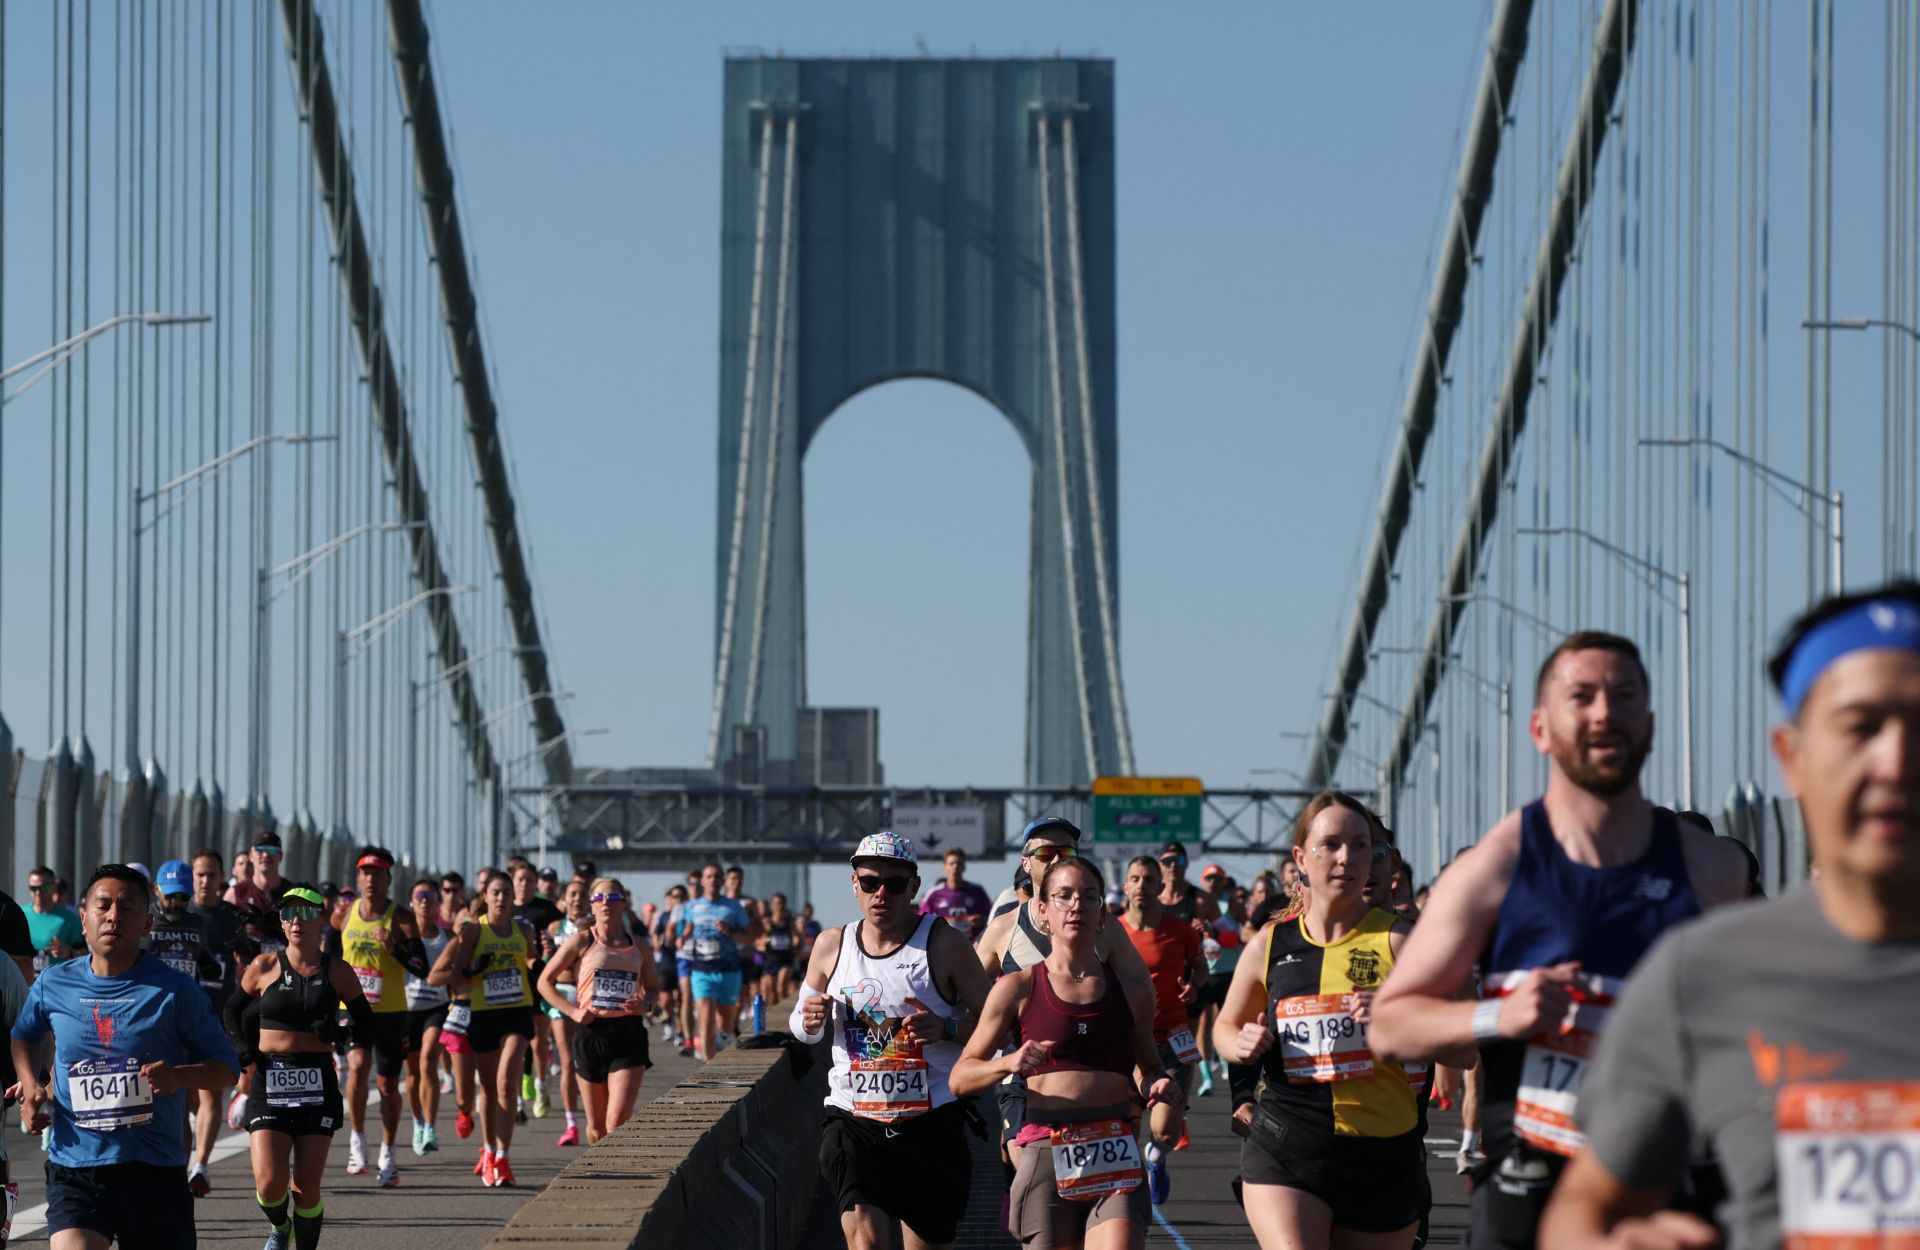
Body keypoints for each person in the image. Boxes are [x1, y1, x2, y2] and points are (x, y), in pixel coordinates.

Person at [1540, 581, 1920, 1250]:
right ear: (1792, 758)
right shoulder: (1704, 976)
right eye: (1859, 727)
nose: (1896, 762)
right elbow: (1582, 1212)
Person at [1368, 631, 1751, 1250]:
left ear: (1649, 726)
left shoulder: (1714, 871)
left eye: (1624, 695)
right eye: (1583, 696)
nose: (1605, 710)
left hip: (1661, 1194)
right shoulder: (1494, 868)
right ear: (1541, 728)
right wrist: (1501, 1015)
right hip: (1530, 1190)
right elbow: (1389, 1027)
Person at [1214, 792, 1462, 1250]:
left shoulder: (1404, 944)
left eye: (1361, 845)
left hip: (1383, 1157)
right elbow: (1225, 1027)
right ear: (1301, 858)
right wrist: (1240, 1043)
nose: (1346, 857)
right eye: (1330, 844)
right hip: (1287, 1146)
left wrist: (1401, 1024)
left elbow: (1463, 1049)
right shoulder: (1270, 944)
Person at [953, 855, 1179, 1250]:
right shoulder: (1016, 988)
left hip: (1114, 1147)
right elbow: (961, 1076)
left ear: (1102, 913)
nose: (1077, 905)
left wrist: (1159, 1086)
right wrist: (1009, 1062)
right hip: (1046, 1148)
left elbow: (1148, 1066)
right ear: (1042, 911)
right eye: (1064, 896)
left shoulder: (1133, 992)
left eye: (1089, 897)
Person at [11, 865, 238, 1250]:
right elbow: (23, 1035)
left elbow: (226, 1068)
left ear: (147, 922)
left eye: (128, 907)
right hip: (76, 1168)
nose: (114, 915)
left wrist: (178, 1077)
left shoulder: (174, 990)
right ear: (84, 919)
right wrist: (33, 1085)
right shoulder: (55, 983)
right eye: (104, 905)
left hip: (154, 1169)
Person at [792, 833, 992, 1250]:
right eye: (869, 883)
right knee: (866, 1241)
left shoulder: (944, 945)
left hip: (931, 1122)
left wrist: (948, 1029)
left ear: (914, 888)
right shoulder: (833, 945)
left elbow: (1000, 1027)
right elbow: (801, 1023)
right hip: (854, 1118)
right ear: (854, 884)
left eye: (894, 884)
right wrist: (809, 1020)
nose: (880, 893)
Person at [976, 817, 1158, 1178]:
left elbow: (1142, 994)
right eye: (1046, 852)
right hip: (1023, 1074)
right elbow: (964, 994)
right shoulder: (1003, 930)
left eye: (1067, 852)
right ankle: (1023, 1188)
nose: (1057, 859)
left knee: (1088, 1186)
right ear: (1026, 863)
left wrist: (1139, 1063)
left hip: (1092, 1070)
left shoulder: (1102, 927)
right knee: (1031, 1166)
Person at [225, 884, 372, 1250]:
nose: (296, 921)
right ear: (281, 921)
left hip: (316, 1081)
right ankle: (279, 1225)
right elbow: (231, 1010)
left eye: (305, 913)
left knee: (306, 1189)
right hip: (271, 1078)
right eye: (288, 914)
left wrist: (339, 1032)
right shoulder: (265, 966)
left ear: (321, 918)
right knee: (269, 1184)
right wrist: (242, 1047)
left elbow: (367, 1024)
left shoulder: (337, 971)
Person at [429, 871, 538, 1187]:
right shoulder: (474, 931)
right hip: (483, 1014)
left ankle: (503, 1157)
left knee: (506, 1080)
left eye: (506, 892)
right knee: (488, 1088)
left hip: (516, 1010)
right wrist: (474, 970)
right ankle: (489, 1151)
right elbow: (457, 972)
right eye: (496, 893)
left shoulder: (524, 929)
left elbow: (531, 959)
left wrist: (539, 962)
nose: (502, 898)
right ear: (486, 897)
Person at [538, 877, 659, 1143]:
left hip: (628, 1034)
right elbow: (544, 982)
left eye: (614, 898)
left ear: (624, 905)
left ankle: (617, 1177)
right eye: (600, 898)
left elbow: (653, 988)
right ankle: (601, 1173)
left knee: (616, 1121)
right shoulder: (581, 941)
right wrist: (572, 1011)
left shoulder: (639, 945)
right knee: (596, 1128)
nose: (607, 904)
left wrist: (645, 1005)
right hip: (590, 1033)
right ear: (592, 906)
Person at [1116, 856, 1206, 1205]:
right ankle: (1127, 1195)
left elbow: (1200, 968)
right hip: (1126, 1043)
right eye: (1135, 878)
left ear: (1160, 887)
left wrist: (1193, 987)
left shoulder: (1181, 931)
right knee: (1126, 1127)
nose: (1141, 885)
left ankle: (1155, 1158)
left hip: (1172, 1039)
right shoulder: (1112, 931)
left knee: (1164, 1130)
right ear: (1126, 886)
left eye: (1149, 879)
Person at [334, 847, 424, 1187]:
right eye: (364, 873)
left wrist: (395, 949)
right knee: (356, 1067)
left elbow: (421, 968)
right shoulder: (343, 914)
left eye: (377, 873)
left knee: (387, 1085)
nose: (370, 879)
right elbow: (328, 957)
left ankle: (388, 1150)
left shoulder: (401, 918)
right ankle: (357, 1139)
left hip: (390, 1012)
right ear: (358, 878)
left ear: (388, 879)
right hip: (353, 1007)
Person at [187, 848, 250, 1191]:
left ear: (221, 877)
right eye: (200, 874)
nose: (205, 881)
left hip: (218, 1016)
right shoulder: (179, 915)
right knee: (185, 1098)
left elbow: (250, 963)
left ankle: (200, 1167)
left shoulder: (230, 918)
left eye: (211, 875)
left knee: (210, 1094)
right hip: (180, 1018)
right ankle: (183, 1154)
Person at [677, 862, 755, 1061]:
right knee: (705, 1013)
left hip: (728, 969)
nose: (712, 880)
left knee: (726, 1022)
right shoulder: (692, 907)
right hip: (701, 969)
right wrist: (682, 938)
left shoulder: (734, 907)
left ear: (722, 881)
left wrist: (729, 932)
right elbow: (687, 928)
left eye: (716, 876)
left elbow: (750, 937)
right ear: (702, 881)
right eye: (708, 876)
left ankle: (722, 1037)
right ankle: (707, 1063)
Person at [402, 878, 452, 1157]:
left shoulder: (446, 937)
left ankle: (431, 1127)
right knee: (411, 1074)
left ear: (437, 903)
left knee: (428, 1061)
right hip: (408, 1008)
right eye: (419, 894)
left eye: (430, 895)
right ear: (411, 901)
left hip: (437, 1006)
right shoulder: (403, 936)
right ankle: (418, 1122)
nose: (424, 900)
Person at [540, 878, 590, 1146]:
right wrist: (548, 954)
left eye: (582, 894)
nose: (576, 899)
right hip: (562, 992)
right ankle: (571, 1124)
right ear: (563, 900)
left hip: (588, 995)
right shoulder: (554, 927)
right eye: (572, 894)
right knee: (568, 1059)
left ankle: (594, 1116)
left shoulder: (596, 927)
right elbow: (547, 966)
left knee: (589, 1058)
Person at [509, 865, 561, 1121]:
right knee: (516, 1043)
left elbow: (559, 932)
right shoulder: (506, 908)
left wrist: (550, 944)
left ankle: (541, 1087)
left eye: (530, 880)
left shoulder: (546, 910)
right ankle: (517, 1100)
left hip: (538, 978)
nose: (525, 884)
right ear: (513, 882)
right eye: (521, 879)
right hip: (511, 982)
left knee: (539, 1040)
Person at [919, 848, 993, 943]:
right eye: (951, 863)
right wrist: (944, 922)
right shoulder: (934, 894)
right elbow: (921, 922)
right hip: (942, 947)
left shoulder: (978, 891)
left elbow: (992, 919)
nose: (955, 867)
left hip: (972, 948)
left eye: (959, 863)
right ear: (945, 867)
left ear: (964, 867)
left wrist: (981, 921)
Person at [25, 865, 85, 972]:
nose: (38, 893)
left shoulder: (69, 918)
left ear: (54, 887)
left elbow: (86, 956)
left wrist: (69, 952)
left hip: (56, 984)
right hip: (24, 985)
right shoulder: (20, 914)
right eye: (33, 888)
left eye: (43, 888)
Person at [756, 892, 803, 1003]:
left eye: (781, 903)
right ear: (772, 906)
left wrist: (796, 947)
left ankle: (785, 1015)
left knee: (781, 986)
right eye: (776, 903)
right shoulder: (768, 922)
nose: (779, 906)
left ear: (785, 905)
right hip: (772, 958)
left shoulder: (789, 922)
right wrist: (766, 937)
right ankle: (773, 1013)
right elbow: (760, 940)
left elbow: (797, 937)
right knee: (771, 990)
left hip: (786, 958)